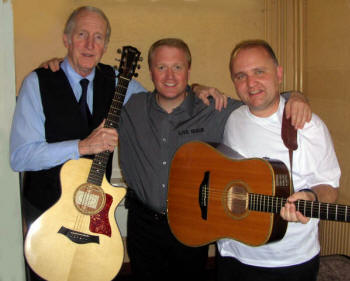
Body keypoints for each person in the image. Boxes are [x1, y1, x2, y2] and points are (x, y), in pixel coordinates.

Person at [116, 38, 311, 281]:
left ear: (188, 69)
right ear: (151, 71)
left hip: (193, 220)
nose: (170, 76)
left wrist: (296, 96)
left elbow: (261, 100)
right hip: (143, 223)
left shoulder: (214, 108)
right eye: (161, 67)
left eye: (177, 67)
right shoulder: (130, 108)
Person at [9, 6, 146, 281]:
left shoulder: (120, 82)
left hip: (94, 215)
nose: (89, 44)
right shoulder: (38, 82)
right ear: (66, 39)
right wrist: (82, 146)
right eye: (82, 34)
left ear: (106, 45)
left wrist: (199, 90)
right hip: (48, 215)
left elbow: (162, 103)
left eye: (98, 37)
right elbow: (20, 157)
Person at [216, 39, 341, 281]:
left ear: (279, 73)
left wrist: (311, 197)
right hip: (232, 252)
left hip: (289, 261)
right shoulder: (233, 119)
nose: (251, 83)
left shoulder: (308, 126)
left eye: (259, 72)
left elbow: (330, 187)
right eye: (240, 76)